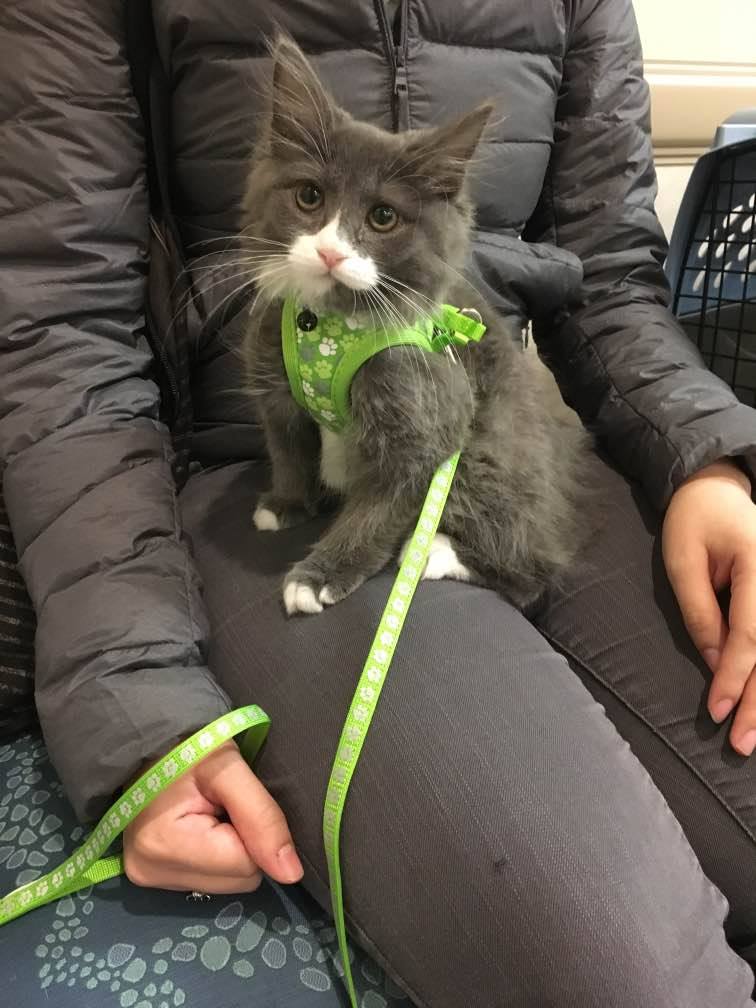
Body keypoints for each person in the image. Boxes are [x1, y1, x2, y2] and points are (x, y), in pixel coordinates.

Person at [2, 1, 756, 1005]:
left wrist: (708, 458)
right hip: (262, 475)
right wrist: (131, 694)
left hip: (511, 429)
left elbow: (611, 278)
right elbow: (62, 335)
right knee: (616, 970)